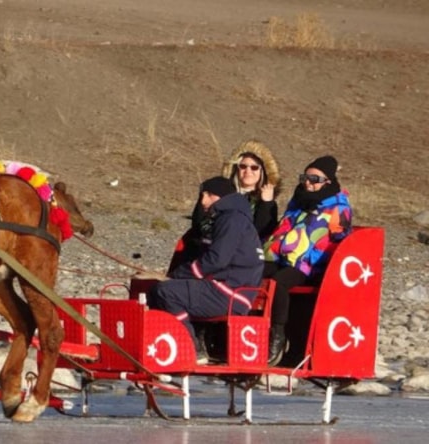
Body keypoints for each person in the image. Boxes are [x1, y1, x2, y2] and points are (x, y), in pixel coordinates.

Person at [148, 176, 264, 364]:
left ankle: (191, 348)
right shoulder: (226, 218)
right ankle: (159, 346)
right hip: (225, 286)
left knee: (166, 292)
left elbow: (216, 260)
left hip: (231, 292)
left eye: (208, 195)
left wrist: (176, 276)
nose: (202, 201)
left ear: (221, 197)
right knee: (154, 291)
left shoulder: (231, 219)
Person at [262, 155, 352, 366]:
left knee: (278, 283)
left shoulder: (338, 207)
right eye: (305, 177)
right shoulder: (298, 200)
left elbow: (341, 241)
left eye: (315, 179)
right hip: (283, 257)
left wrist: (316, 259)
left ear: (328, 181)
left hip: (310, 264)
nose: (308, 183)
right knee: (251, 272)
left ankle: (277, 336)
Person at [191, 140, 282, 241]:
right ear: (236, 169)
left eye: (254, 167)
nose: (248, 171)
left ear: (263, 172)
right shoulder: (221, 192)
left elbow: (262, 234)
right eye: (243, 166)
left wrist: (266, 204)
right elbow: (198, 223)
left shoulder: (267, 203)